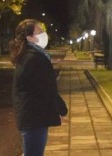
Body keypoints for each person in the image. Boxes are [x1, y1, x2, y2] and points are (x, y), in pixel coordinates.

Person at [9, 19, 68, 156]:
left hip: (32, 115)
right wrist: (61, 109)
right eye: (40, 31)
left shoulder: (30, 56)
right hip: (34, 118)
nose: (44, 34)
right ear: (30, 37)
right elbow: (46, 89)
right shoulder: (34, 59)